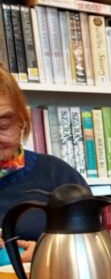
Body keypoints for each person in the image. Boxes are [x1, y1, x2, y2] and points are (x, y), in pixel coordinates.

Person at [0, 66, 87, 264]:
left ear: (22, 120)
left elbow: (92, 248)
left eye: (3, 126)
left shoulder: (58, 176)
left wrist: (48, 253)